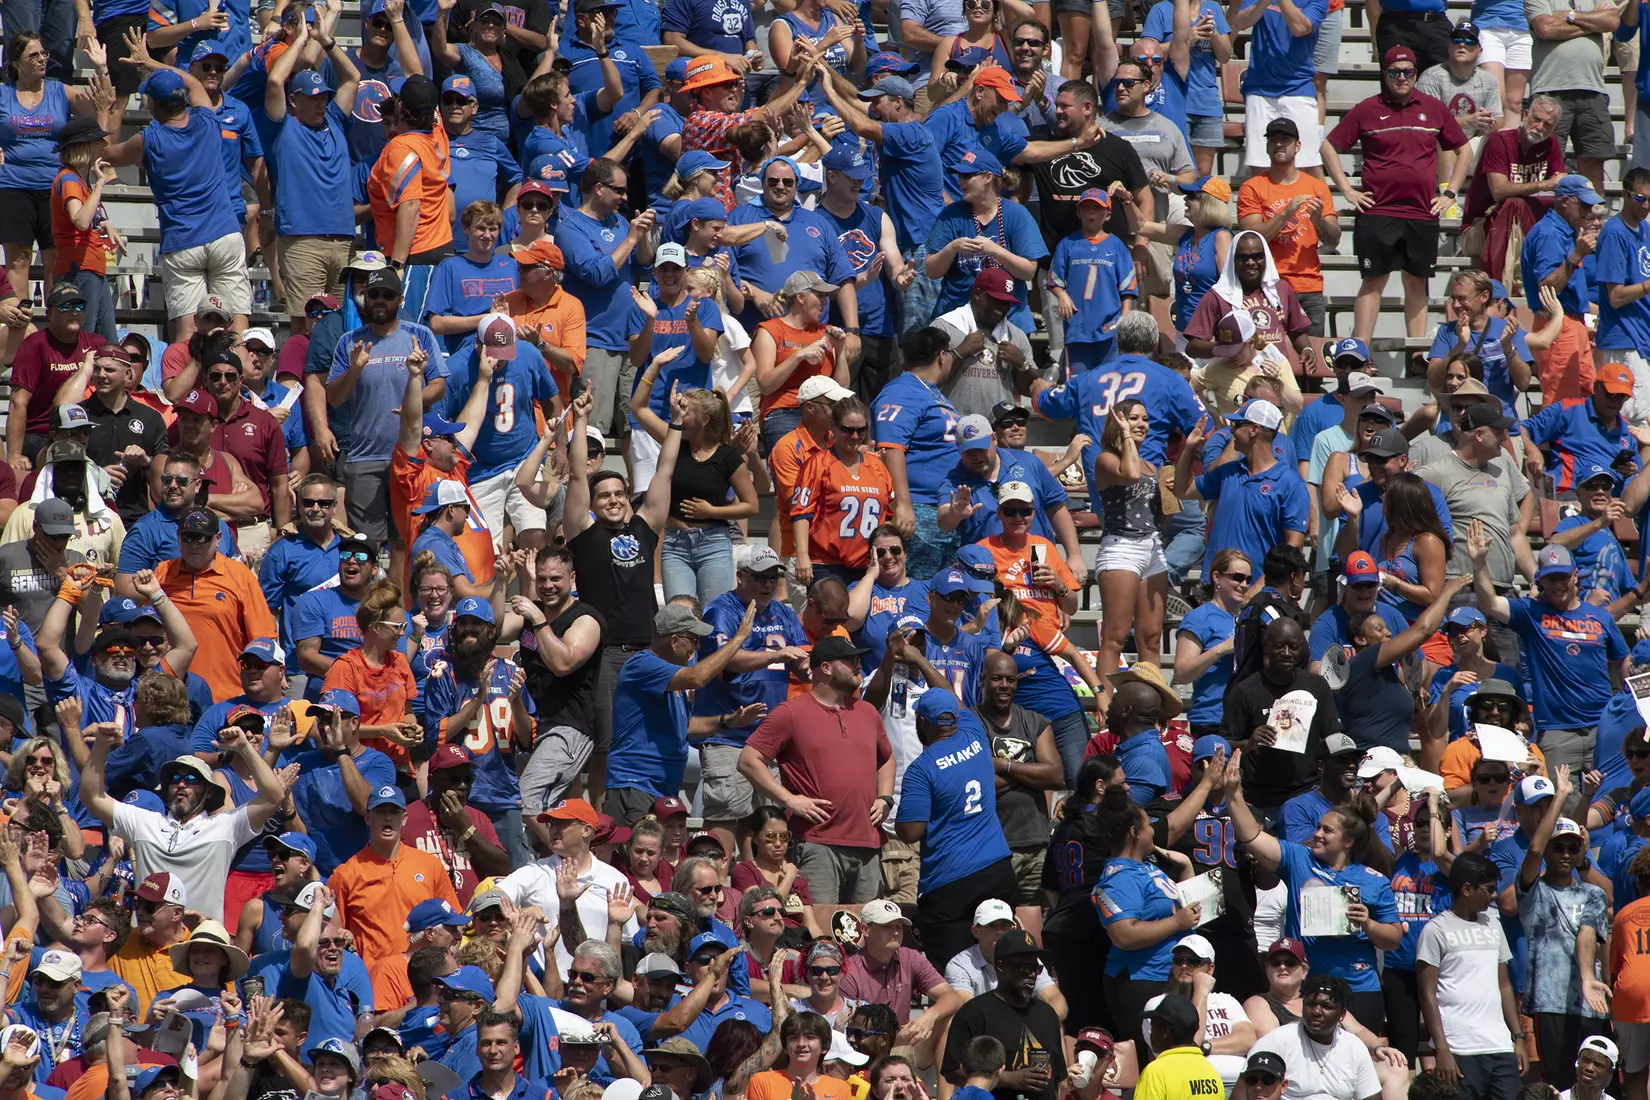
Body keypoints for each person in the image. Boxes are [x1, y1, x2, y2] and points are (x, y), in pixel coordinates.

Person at [1226, 751, 1403, 1032]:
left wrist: (1366, 922)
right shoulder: (1299, 860)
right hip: (1308, 989)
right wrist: (1233, 794)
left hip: (1359, 988)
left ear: (1347, 841)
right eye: (1318, 827)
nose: (1317, 834)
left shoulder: (1373, 880)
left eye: (1326, 831)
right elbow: (1252, 837)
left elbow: (1393, 939)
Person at [739, 636, 893, 924]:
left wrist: (885, 798)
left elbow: (886, 758)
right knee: (820, 930)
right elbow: (748, 760)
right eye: (850, 661)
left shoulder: (867, 712)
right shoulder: (792, 712)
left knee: (867, 931)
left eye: (858, 660)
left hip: (868, 842)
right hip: (817, 843)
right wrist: (788, 799)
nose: (857, 666)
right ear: (825, 667)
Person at [1322, 47, 1471, 343]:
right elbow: (1328, 146)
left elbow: (1464, 149)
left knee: (1416, 282)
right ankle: (1361, 353)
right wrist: (1347, 190)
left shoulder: (1434, 107)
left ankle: (1416, 352)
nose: (1402, 78)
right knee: (1373, 281)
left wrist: (1450, 193)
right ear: (1385, 74)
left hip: (1421, 212)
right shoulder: (1367, 108)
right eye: (1395, 72)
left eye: (1408, 72)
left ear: (1416, 74)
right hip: (1378, 212)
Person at [1467, 527, 1628, 796]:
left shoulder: (1600, 617)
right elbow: (1490, 604)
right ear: (1541, 580)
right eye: (1550, 578)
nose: (1557, 584)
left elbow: (1623, 661)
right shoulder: (1531, 613)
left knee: (1609, 801)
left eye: (1563, 576)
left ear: (1575, 575)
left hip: (1603, 726)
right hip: (1556, 731)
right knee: (1561, 808)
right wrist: (1479, 563)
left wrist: (1626, 709)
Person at [326, 268, 450, 551]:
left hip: (412, 458)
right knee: (367, 546)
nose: (380, 300)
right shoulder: (349, 341)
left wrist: (412, 403)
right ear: (364, 298)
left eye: (387, 295)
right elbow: (334, 397)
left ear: (401, 299)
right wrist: (355, 370)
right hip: (364, 458)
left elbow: (439, 386)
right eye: (373, 295)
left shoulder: (419, 334)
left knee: (410, 543)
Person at [1515, 769, 1611, 1089]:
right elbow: (1532, 851)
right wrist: (1560, 796)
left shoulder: (1592, 894)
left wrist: (1588, 979)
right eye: (1558, 847)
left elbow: (1587, 933)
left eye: (1573, 847)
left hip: (1590, 1002)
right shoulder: (1532, 890)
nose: (1566, 854)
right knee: (1558, 1084)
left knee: (1598, 1085)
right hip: (1549, 1002)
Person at [1416, 851, 1526, 1100]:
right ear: (1466, 889)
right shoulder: (1435, 930)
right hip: (1459, 1047)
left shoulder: (1493, 924)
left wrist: (1518, 1037)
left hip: (1500, 1045)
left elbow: (1504, 985)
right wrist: (1442, 1048)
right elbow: (1427, 994)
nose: (1494, 895)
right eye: (1488, 889)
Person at [942, 929, 1066, 1100]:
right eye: (1023, 968)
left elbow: (1058, 1078)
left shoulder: (1048, 1014)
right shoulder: (974, 1012)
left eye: (1035, 968)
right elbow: (952, 1071)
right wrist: (1007, 1079)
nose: (1031, 974)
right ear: (1001, 967)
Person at [1244, 975, 1383, 1100]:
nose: (1316, 1012)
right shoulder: (1275, 1043)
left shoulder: (1354, 1047)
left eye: (1326, 1006)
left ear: (1342, 1014)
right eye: (1310, 1004)